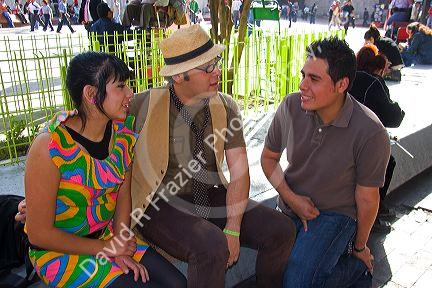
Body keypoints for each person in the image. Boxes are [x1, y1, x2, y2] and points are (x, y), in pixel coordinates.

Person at [129, 24, 296, 287]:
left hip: (207, 193)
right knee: (211, 248)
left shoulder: (226, 106)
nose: (217, 71)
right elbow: (98, 124)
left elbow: (239, 171)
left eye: (215, 62)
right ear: (179, 77)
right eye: (207, 68)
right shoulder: (143, 105)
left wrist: (233, 226)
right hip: (158, 205)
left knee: (282, 230)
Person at [24, 51, 187, 287]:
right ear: (91, 94)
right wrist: (108, 248)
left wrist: (119, 243)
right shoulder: (50, 146)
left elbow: (122, 195)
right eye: (120, 86)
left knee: (177, 283)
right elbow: (39, 234)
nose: (130, 93)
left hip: (106, 236)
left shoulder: (122, 135)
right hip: (59, 252)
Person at [261, 37, 390, 287]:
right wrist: (291, 197)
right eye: (303, 75)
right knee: (272, 275)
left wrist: (359, 247)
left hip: (335, 215)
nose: (302, 85)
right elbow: (268, 158)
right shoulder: (291, 106)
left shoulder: (370, 131)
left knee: (297, 282)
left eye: (314, 79)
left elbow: (367, 198)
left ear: (341, 84)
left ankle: (357, 270)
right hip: (290, 205)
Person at [349, 44, 405, 231]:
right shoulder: (374, 82)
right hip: (359, 145)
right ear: (379, 67)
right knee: (388, 162)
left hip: (339, 138)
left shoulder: (348, 77)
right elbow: (393, 117)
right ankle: (373, 213)